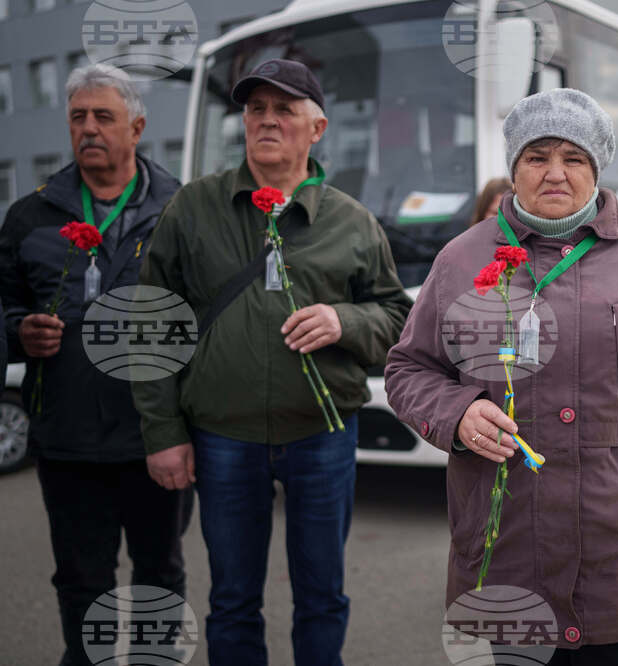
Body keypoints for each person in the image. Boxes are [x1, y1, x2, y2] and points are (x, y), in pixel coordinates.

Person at [385, 88, 618, 665]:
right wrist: (456, 412)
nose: (554, 173)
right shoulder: (460, 259)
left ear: (595, 169)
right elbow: (409, 369)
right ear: (513, 169)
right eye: (536, 156)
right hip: (507, 550)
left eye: (573, 158)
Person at [131, 59, 411, 666]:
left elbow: (395, 319)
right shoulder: (194, 208)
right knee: (232, 598)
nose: (267, 120)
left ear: (317, 128)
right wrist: (163, 432)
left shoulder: (353, 221)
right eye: (256, 108)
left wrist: (346, 321)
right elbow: (152, 321)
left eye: (284, 109)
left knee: (322, 595)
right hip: (221, 438)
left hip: (322, 437)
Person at [0, 64, 190, 666]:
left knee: (160, 573)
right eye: (78, 117)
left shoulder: (181, 210)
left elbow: (207, 318)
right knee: (82, 581)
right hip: (67, 441)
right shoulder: (30, 216)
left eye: (103, 116)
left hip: (155, 439)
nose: (88, 128)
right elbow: (4, 305)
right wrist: (15, 332)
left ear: (136, 127)